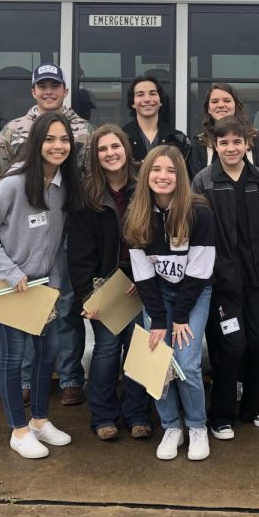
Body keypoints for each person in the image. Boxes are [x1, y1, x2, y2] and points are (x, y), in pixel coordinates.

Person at [0, 112, 83, 459]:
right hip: (10, 286)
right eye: (50, 139)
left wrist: (54, 288)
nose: (58, 146)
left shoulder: (64, 184)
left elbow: (54, 244)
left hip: (42, 288)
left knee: (47, 355)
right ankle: (18, 431)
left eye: (64, 139)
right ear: (36, 142)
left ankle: (39, 420)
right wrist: (10, 272)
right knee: (14, 356)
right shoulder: (13, 183)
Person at [0, 63, 95, 408]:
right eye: (42, 86)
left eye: (55, 86)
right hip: (24, 234)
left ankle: (69, 377)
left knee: (65, 307)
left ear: (65, 90)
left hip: (68, 229)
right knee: (26, 305)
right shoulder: (12, 131)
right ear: (33, 91)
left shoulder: (84, 131)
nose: (49, 91)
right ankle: (26, 377)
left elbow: (91, 180)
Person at [191, 115, 259, 440]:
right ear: (214, 145)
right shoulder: (203, 181)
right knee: (231, 346)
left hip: (258, 281)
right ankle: (221, 414)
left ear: (248, 143)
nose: (231, 148)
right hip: (221, 284)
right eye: (224, 142)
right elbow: (194, 234)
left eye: (237, 142)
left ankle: (253, 407)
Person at [124, 145, 215, 461]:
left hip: (193, 294)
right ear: (147, 174)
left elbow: (201, 271)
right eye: (157, 170)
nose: (163, 177)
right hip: (158, 296)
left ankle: (197, 426)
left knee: (187, 363)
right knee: (157, 361)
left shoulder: (199, 212)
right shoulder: (136, 215)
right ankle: (171, 426)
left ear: (181, 177)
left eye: (171, 171)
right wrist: (160, 319)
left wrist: (178, 317)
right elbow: (143, 275)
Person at [67, 124, 153, 441]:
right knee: (106, 349)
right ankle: (103, 415)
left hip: (140, 281)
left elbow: (156, 238)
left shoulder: (144, 187)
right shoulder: (86, 197)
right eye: (102, 149)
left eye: (114, 147)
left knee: (137, 347)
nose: (110, 153)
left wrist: (146, 277)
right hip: (105, 284)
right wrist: (88, 295)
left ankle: (137, 413)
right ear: (95, 156)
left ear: (126, 150)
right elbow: (78, 254)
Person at [121, 76, 196, 176]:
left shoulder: (178, 139)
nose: (147, 99)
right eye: (140, 94)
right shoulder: (121, 138)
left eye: (152, 93)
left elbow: (185, 179)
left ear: (160, 101)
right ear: (132, 103)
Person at [192, 83, 259, 175]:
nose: (221, 105)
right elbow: (196, 185)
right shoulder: (199, 143)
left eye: (227, 100)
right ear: (208, 109)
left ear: (236, 105)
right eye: (214, 101)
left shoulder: (257, 139)